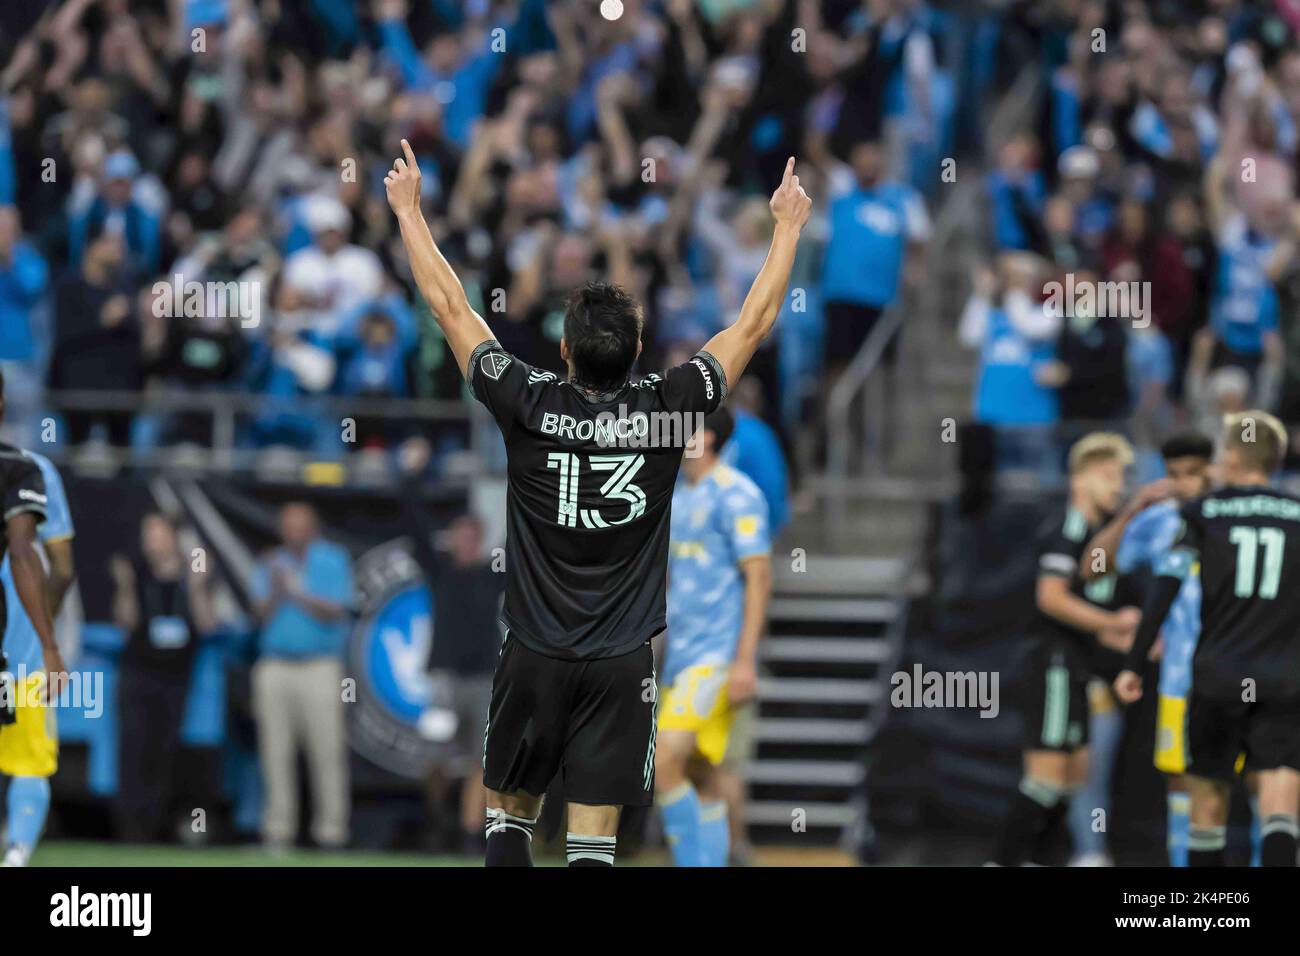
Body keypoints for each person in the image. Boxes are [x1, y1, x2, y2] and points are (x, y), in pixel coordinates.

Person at [384, 140, 810, 866]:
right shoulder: (671, 412)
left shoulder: (526, 401)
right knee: (592, 844)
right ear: (641, 347)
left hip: (532, 649)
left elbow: (450, 306)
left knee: (509, 824)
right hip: (620, 663)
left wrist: (410, 213)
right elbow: (754, 324)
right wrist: (788, 228)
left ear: (563, 349)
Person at [1116, 411, 1300, 867]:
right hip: (1283, 680)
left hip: (1217, 676)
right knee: (1280, 804)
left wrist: (1134, 664)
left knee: (1206, 807)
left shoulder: (1203, 514)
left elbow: (1165, 588)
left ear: (1233, 457)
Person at [988, 433, 1142, 866]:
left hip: (1078, 670)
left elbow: (1090, 611)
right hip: (1053, 666)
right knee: (1046, 778)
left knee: (1074, 775)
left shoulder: (1098, 539)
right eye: (1109, 476)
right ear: (1080, 479)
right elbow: (1051, 597)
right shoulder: (1068, 530)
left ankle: (1039, 860)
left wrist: (1128, 638)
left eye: (1124, 477)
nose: (1119, 486)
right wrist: (1111, 622)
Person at [1082, 432, 1214, 866]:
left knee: (1258, 781)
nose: (1184, 484)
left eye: (1193, 473)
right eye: (1174, 475)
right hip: (1179, 677)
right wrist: (1132, 510)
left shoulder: (1234, 517)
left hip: (1237, 669)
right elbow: (1093, 565)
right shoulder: (1159, 520)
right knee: (1179, 781)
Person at [656, 407, 771, 867]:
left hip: (716, 656)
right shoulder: (678, 496)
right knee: (703, 774)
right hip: (681, 656)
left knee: (663, 763)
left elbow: (759, 578)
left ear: (707, 436)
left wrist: (744, 660)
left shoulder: (738, 494)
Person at [250, 502, 354, 849]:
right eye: (288, 525)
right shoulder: (269, 563)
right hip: (275, 665)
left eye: (300, 525)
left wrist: (296, 589)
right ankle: (278, 831)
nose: (293, 531)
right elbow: (259, 615)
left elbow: (335, 611)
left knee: (326, 751)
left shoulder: (332, 559)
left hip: (320, 666)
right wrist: (278, 590)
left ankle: (332, 834)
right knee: (274, 751)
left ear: (313, 527)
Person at [111, 511, 214, 842]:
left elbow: (208, 625)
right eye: (147, 533)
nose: (151, 540)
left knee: (165, 751)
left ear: (173, 537)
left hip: (176, 678)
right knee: (133, 749)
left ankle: (155, 825)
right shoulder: (137, 572)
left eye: (157, 533)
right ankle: (129, 827)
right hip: (138, 675)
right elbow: (125, 623)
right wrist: (125, 586)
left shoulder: (190, 575)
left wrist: (198, 587)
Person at [0, 447, 74, 867]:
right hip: (22, 641)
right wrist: (46, 634)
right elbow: (62, 568)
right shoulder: (35, 468)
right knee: (29, 757)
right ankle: (17, 852)